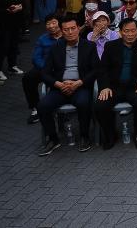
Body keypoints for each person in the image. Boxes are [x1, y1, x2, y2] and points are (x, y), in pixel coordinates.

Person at [37, 15, 98, 156]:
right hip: (60, 87)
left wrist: (78, 83)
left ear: (78, 29)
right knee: (42, 106)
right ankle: (53, 139)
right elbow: (44, 73)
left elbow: (96, 70)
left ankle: (84, 136)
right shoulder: (55, 47)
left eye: (73, 28)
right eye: (66, 30)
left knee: (84, 103)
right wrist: (58, 84)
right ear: (61, 31)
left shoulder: (89, 46)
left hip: (80, 85)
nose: (70, 32)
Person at [94, 18, 137, 150]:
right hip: (114, 87)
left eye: (133, 30)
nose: (130, 34)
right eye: (126, 31)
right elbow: (102, 69)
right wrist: (104, 86)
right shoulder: (111, 46)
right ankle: (110, 135)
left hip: (135, 87)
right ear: (121, 32)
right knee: (100, 105)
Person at [23, 14, 61, 124]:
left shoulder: (67, 35)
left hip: (64, 68)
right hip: (45, 67)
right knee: (28, 78)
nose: (51, 26)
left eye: (54, 22)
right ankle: (35, 108)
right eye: (48, 24)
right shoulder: (42, 39)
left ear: (59, 23)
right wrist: (46, 68)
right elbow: (36, 57)